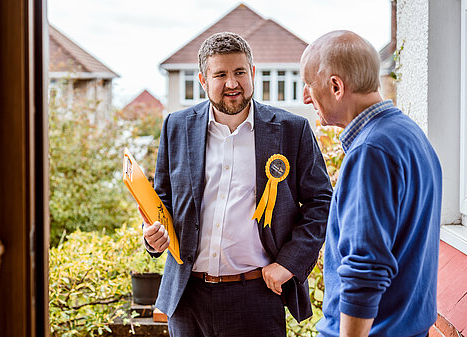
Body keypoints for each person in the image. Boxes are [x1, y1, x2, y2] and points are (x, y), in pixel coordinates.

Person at [140, 31, 332, 337]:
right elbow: (161, 199)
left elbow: (322, 203)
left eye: (240, 72)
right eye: (221, 74)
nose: (232, 83)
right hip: (187, 298)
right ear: (203, 80)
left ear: (253, 73)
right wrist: (152, 237)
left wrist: (289, 263)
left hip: (256, 296)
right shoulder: (175, 126)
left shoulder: (292, 130)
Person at [300, 30, 442, 337]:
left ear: (336, 86)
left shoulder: (370, 151)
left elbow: (365, 268)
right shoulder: (408, 134)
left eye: (309, 86)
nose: (305, 97)